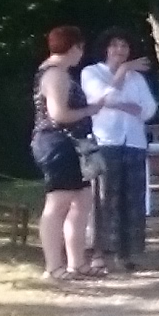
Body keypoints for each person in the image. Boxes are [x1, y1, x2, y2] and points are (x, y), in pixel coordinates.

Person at [80, 31, 156, 272]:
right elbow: (101, 98)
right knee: (104, 199)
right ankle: (99, 253)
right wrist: (122, 72)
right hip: (106, 142)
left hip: (134, 142)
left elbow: (149, 108)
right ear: (105, 48)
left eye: (124, 46)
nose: (120, 50)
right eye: (115, 45)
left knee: (132, 200)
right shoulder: (92, 72)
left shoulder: (137, 78)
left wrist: (124, 105)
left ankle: (127, 253)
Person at [31, 26, 93, 281]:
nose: (81, 53)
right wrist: (91, 110)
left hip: (72, 144)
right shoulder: (55, 74)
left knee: (82, 199)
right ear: (74, 47)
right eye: (81, 47)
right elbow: (58, 114)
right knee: (58, 203)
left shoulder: (60, 72)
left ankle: (77, 263)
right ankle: (53, 267)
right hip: (57, 143)